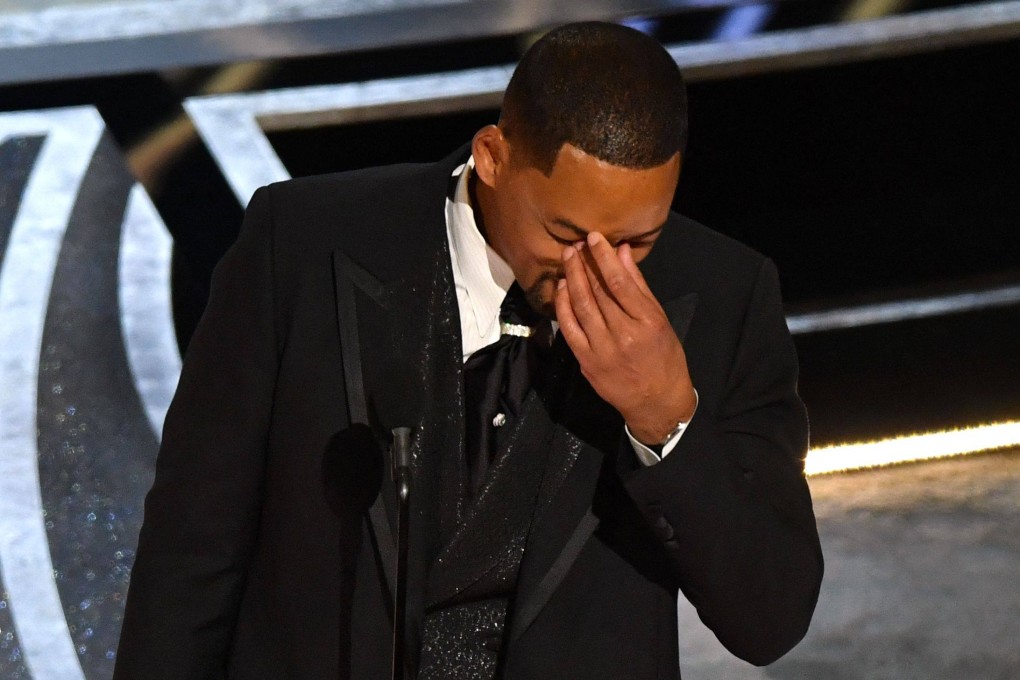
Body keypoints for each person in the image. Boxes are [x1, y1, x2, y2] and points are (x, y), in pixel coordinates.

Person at [114, 21, 822, 680]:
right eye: (567, 235)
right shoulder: (301, 241)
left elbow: (770, 620)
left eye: (641, 240)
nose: (601, 270)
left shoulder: (724, 295)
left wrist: (666, 418)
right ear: (493, 157)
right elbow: (192, 548)